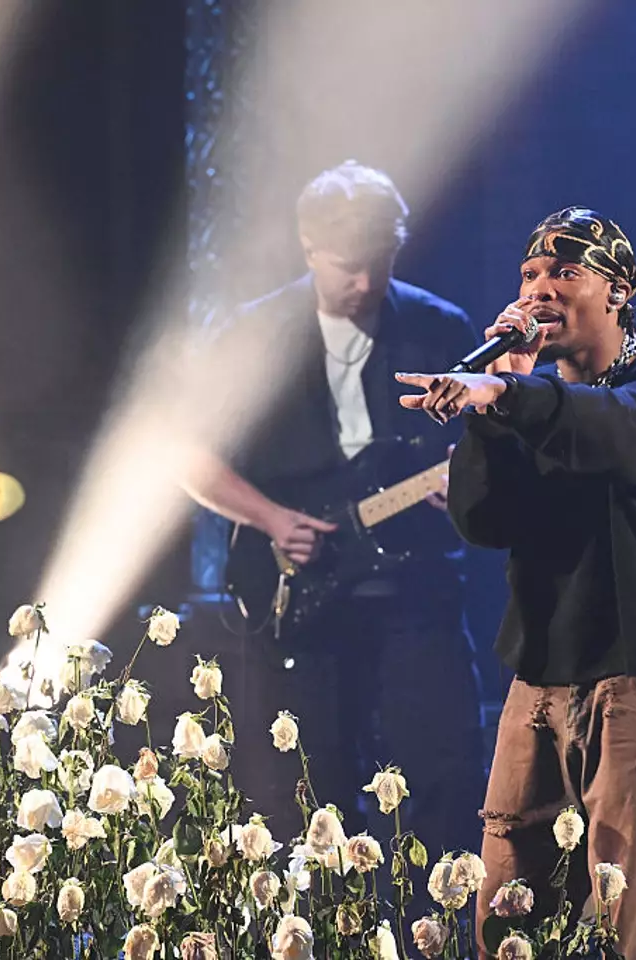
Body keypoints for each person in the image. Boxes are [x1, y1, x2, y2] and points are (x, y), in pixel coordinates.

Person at [396, 207, 636, 959]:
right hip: (538, 679)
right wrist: (495, 406)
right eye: (530, 274)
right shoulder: (528, 399)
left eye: (565, 272)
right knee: (510, 923)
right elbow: (483, 520)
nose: (539, 288)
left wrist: (509, 397)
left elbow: (614, 433)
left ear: (619, 290)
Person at [181, 160, 486, 864]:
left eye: (381, 262)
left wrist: (468, 482)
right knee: (306, 794)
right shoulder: (255, 334)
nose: (367, 282)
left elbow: (480, 447)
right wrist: (269, 518)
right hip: (300, 600)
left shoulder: (440, 328)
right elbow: (190, 455)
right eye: (349, 266)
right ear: (309, 248)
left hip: (414, 591)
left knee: (445, 775)